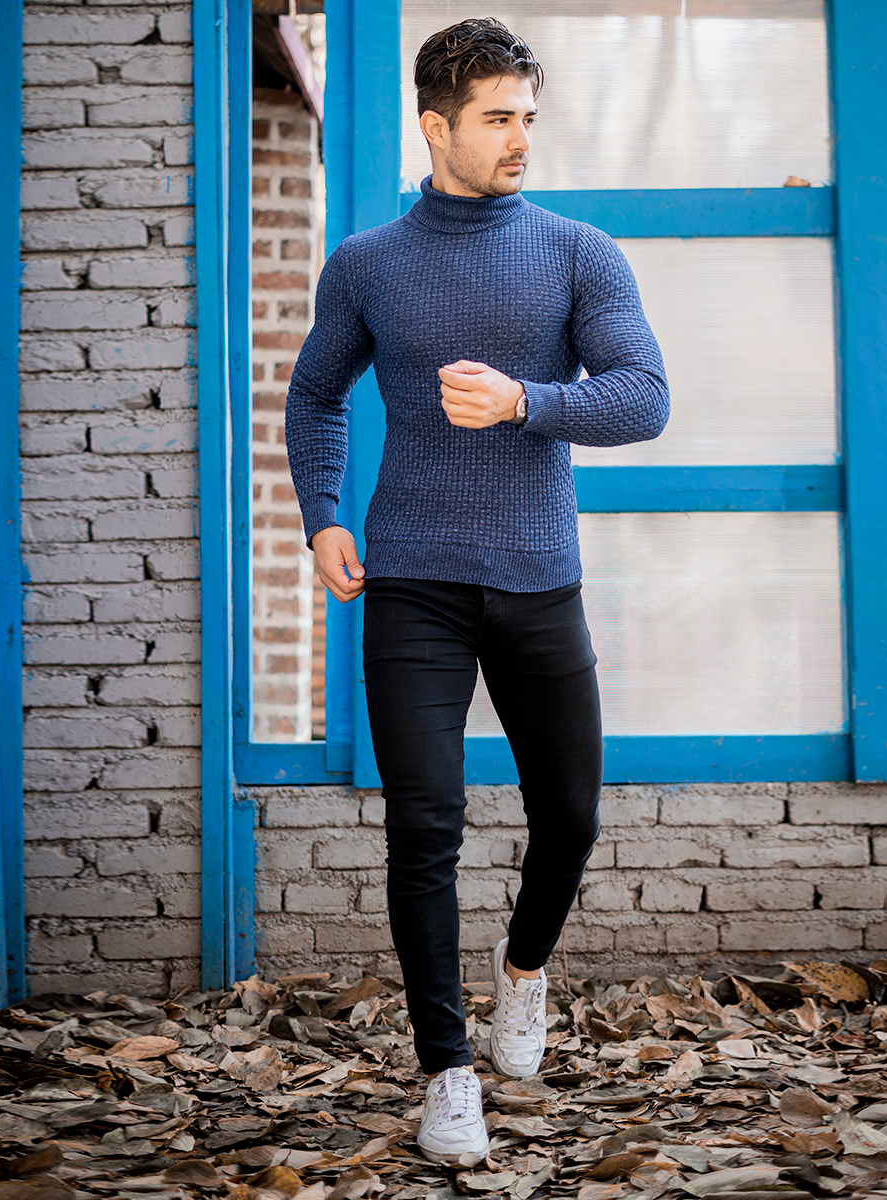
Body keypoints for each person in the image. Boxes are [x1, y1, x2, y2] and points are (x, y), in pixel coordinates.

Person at [285, 17, 669, 1167]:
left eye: (527, 118)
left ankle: (525, 971)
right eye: (498, 118)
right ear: (435, 126)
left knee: (571, 817)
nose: (520, 139)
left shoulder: (579, 254)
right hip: (413, 583)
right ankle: (447, 1073)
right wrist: (323, 517)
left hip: (539, 578)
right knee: (424, 826)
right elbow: (314, 396)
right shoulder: (367, 265)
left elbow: (644, 397)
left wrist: (526, 402)